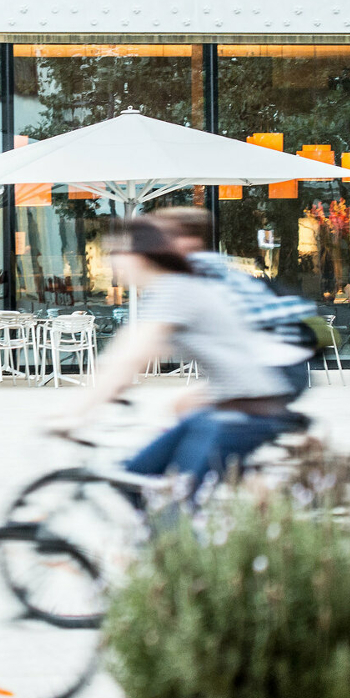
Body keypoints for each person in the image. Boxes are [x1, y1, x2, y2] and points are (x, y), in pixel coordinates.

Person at [51, 213, 310, 499]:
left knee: (175, 502)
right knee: (134, 480)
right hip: (226, 406)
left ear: (140, 254)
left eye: (116, 252)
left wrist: (75, 413)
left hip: (248, 408)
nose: (109, 260)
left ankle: (253, 516)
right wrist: (105, 393)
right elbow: (131, 351)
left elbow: (130, 359)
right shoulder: (164, 290)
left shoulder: (177, 288)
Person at [152, 207, 316, 401]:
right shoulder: (214, 266)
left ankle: (280, 422)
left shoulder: (184, 281)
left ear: (186, 241)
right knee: (186, 404)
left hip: (270, 372)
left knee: (221, 417)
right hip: (286, 364)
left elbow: (135, 353)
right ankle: (293, 426)